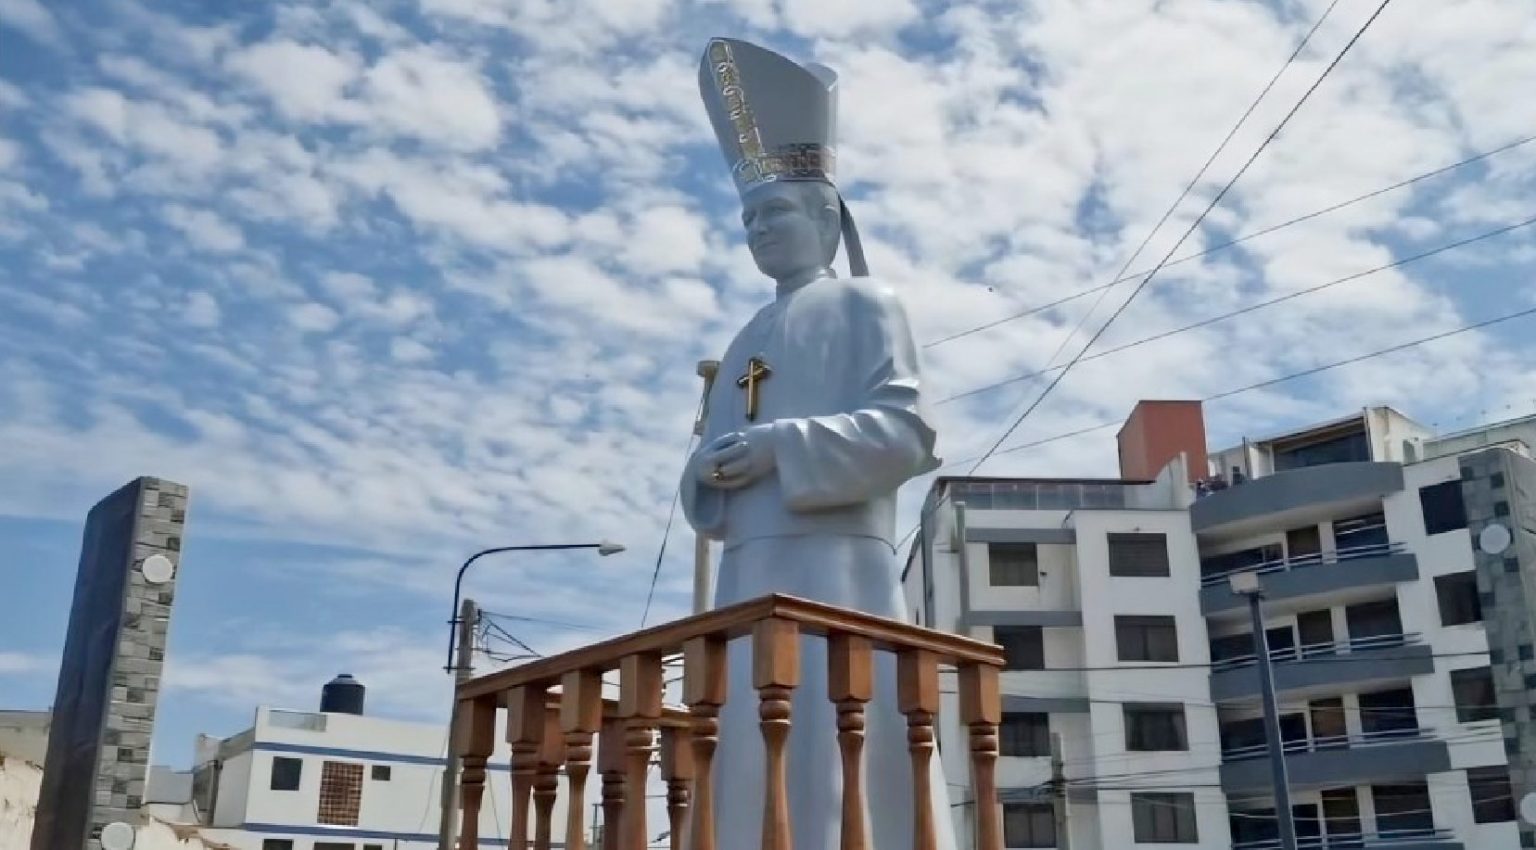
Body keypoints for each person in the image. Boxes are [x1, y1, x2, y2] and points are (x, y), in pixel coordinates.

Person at [681, 37, 952, 850]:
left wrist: (780, 449)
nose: (759, 230)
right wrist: (708, 471)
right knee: (744, 743)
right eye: (749, 218)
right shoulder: (743, 338)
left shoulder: (870, 305)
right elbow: (709, 464)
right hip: (746, 573)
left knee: (842, 743)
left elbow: (906, 432)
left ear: (825, 219)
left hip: (839, 571)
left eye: (775, 213)